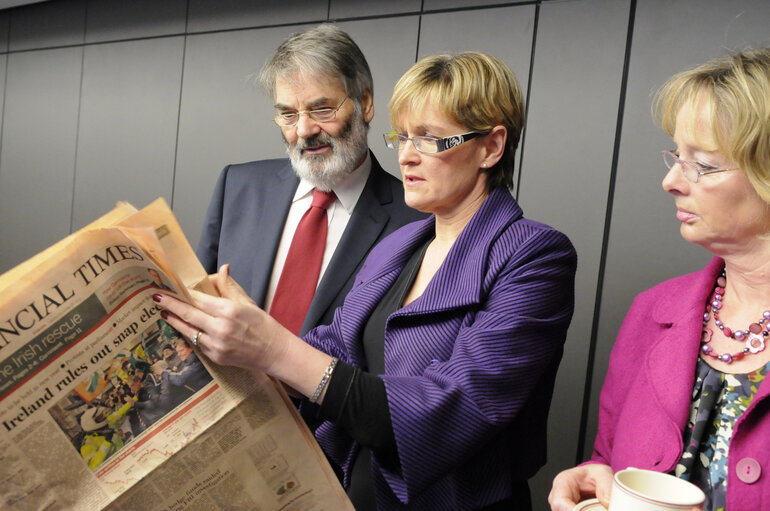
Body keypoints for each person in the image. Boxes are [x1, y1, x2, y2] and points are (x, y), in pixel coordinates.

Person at [156, 51, 576, 510]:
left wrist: (273, 347)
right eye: (403, 137)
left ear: (492, 147)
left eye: (431, 139)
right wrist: (248, 336)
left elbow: (449, 412)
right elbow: (330, 353)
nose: (408, 156)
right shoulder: (401, 246)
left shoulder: (534, 255)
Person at [549, 48, 770, 511]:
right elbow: (609, 458)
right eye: (675, 156)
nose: (670, 180)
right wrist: (597, 480)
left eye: (703, 164)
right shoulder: (652, 310)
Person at [196, 23, 425, 337]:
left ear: (366, 104)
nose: (304, 130)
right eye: (288, 114)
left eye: (322, 109)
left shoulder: (417, 220)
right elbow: (199, 307)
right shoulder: (237, 187)